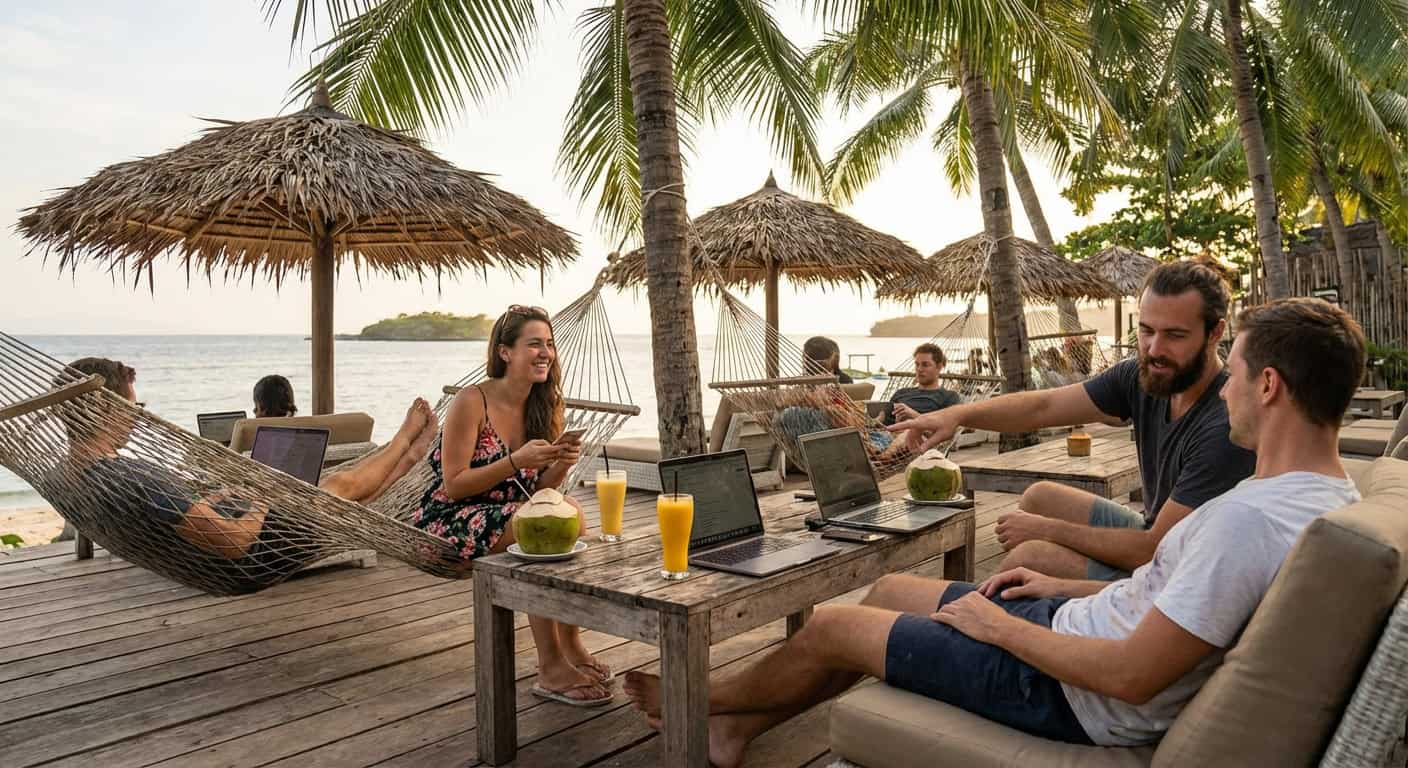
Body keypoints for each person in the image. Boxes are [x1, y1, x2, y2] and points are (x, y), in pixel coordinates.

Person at [622, 297, 1365, 765]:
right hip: (1079, 627)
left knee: (829, 627)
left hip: (1067, 689)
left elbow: (1135, 676)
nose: (1228, 384)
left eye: (1236, 370)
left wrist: (996, 625)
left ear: (1268, 386)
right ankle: (738, 730)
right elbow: (1180, 599)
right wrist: (1058, 584)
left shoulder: (1243, 515)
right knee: (887, 586)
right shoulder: (1321, 496)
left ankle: (705, 701)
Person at [892, 262, 1257, 580]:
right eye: (1146, 331)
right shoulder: (1139, 377)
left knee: (1029, 556)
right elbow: (1043, 406)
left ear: (1214, 332)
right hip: (1156, 531)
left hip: (1180, 570)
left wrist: (1047, 531)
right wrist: (957, 414)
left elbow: (1154, 550)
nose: (1154, 349)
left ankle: (977, 631)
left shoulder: (1225, 425)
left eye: (1175, 335)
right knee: (1039, 496)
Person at [58, 357, 438, 589]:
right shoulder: (130, 477)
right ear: (106, 411)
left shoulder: (66, 477)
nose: (138, 416)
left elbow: (178, 513)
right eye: (133, 406)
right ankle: (405, 447)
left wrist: (215, 499)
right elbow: (236, 541)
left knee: (342, 502)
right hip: (251, 555)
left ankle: (405, 457)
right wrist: (262, 499)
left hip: (217, 545)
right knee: (335, 488)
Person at [411, 304, 611, 707]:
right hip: (448, 520)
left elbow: (538, 491)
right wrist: (516, 460)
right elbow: (453, 485)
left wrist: (560, 464)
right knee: (536, 533)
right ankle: (551, 665)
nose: (546, 353)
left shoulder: (546, 402)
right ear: (505, 352)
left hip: (511, 514)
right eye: (534, 344)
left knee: (569, 508)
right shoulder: (473, 400)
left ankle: (571, 644)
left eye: (549, 345)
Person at [885, 343, 961, 425]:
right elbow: (884, 424)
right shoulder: (901, 393)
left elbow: (945, 430)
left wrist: (914, 416)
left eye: (925, 365)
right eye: (917, 364)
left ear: (939, 367)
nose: (919, 369)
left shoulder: (949, 397)